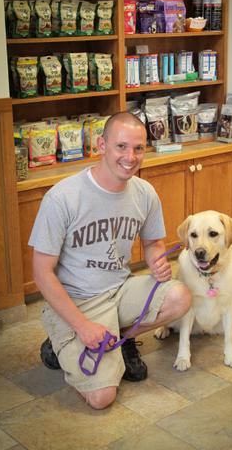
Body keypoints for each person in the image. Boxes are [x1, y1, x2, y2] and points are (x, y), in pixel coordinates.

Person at [29, 112, 191, 410]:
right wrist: (82, 326)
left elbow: (154, 243)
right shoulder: (62, 198)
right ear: (102, 145)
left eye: (139, 148)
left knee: (179, 297)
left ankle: (119, 339)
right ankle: (59, 342)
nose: (130, 157)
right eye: (121, 146)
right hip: (79, 301)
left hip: (120, 288)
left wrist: (157, 261)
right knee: (102, 398)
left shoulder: (145, 193)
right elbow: (41, 273)